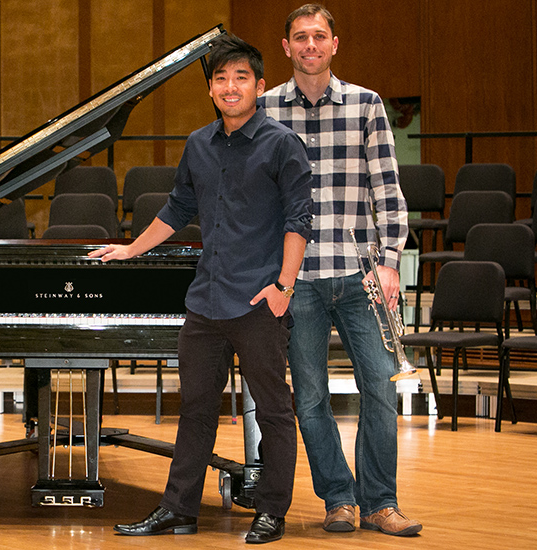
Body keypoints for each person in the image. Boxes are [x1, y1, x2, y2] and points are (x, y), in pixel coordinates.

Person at [92, 34, 312, 545]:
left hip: (259, 301)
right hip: (206, 302)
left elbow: (299, 222)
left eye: (240, 78)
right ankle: (179, 509)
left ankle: (272, 510)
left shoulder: (282, 144)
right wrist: (130, 249)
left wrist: (283, 286)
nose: (229, 87)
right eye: (220, 79)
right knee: (193, 410)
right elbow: (177, 210)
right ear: (211, 89)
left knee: (274, 410)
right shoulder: (198, 144)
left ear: (260, 85)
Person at [258, 4, 421, 537]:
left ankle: (380, 502)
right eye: (300, 38)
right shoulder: (263, 110)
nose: (310, 45)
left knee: (380, 388)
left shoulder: (367, 106)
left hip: (359, 278)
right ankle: (338, 498)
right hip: (297, 280)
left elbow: (389, 197)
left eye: (319, 36)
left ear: (334, 44)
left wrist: (391, 262)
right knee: (309, 398)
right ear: (286, 47)